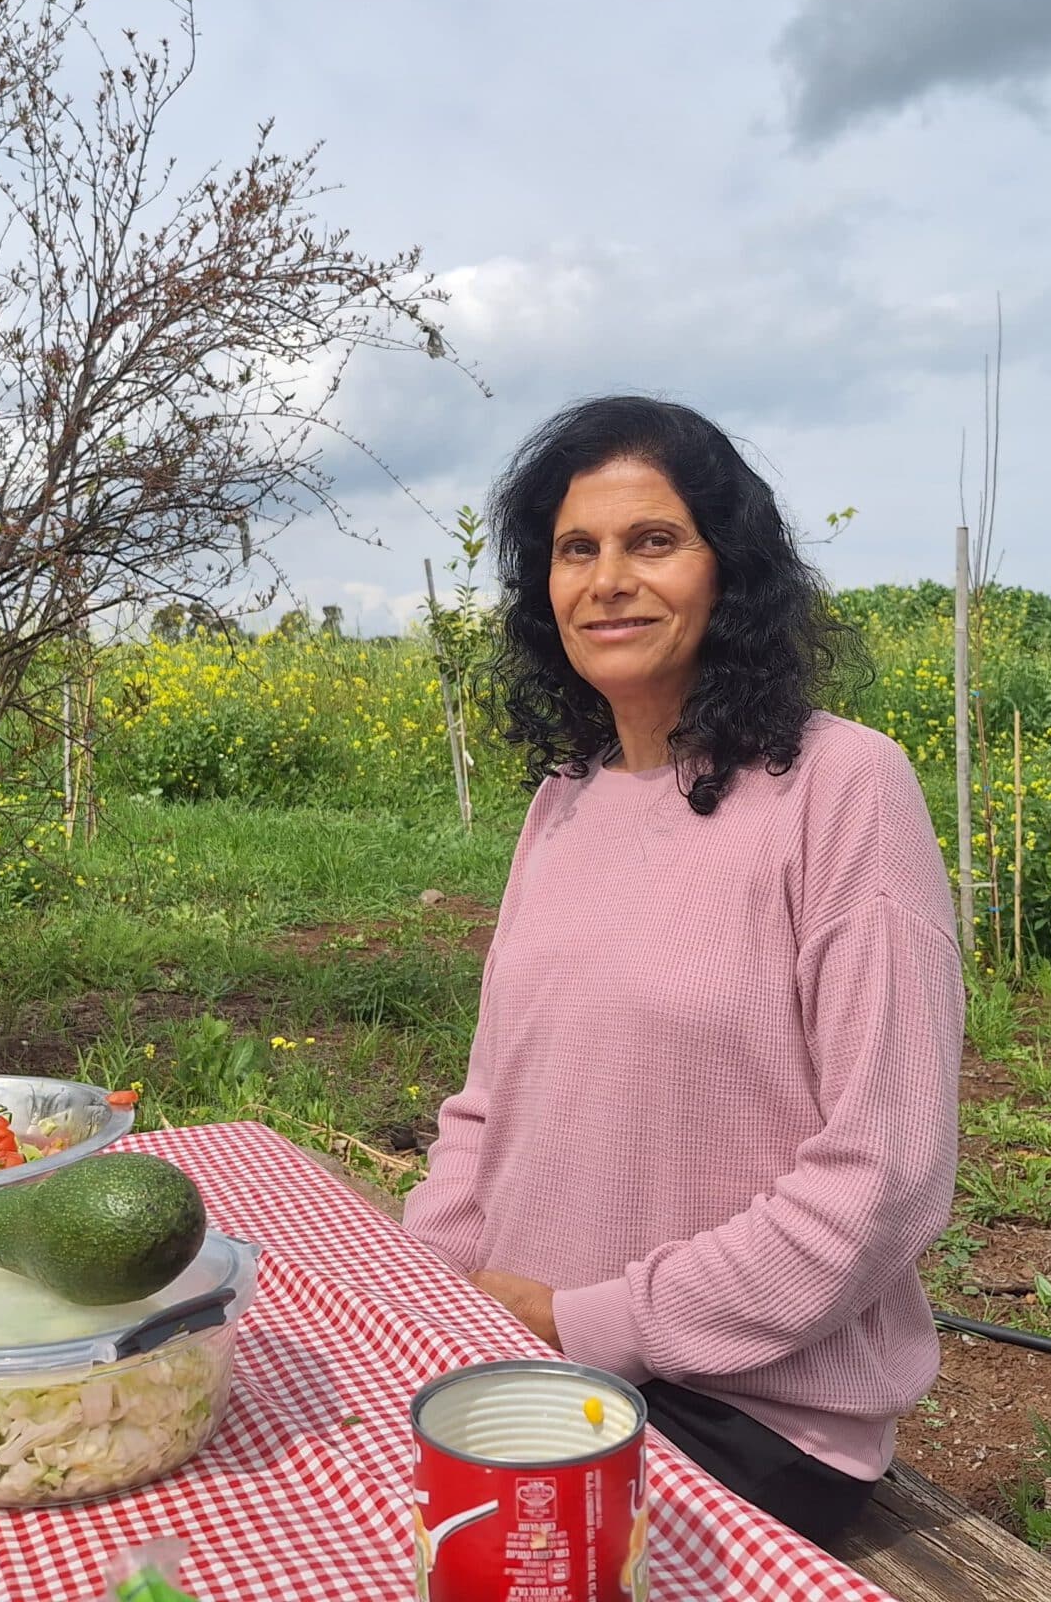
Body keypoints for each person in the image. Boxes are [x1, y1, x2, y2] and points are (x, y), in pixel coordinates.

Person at [401, 395, 963, 1554]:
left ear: (728, 572)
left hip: (744, 1411)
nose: (607, 579)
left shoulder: (842, 787)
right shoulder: (567, 798)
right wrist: (425, 1288)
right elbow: (487, 1103)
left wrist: (587, 1318)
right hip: (534, 1360)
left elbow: (886, 1175)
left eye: (651, 542)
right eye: (575, 549)